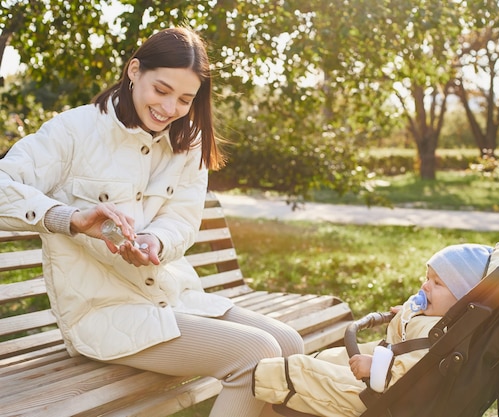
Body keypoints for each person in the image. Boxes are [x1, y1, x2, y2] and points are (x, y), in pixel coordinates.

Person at [0, 27, 303, 417]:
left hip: (174, 297)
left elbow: (181, 218)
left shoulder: (188, 141)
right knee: (255, 354)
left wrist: (154, 242)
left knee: (289, 346)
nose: (170, 108)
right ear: (134, 70)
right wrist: (70, 219)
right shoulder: (73, 131)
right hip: (104, 314)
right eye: (161, 90)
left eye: (184, 99)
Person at [253, 241, 499, 417]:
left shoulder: (446, 338)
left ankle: (257, 389)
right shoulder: (436, 317)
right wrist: (406, 315)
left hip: (385, 395)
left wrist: (376, 369)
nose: (426, 287)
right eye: (427, 278)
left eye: (437, 283)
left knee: (290, 371)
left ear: (462, 301)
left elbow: (416, 372)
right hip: (378, 372)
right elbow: (408, 337)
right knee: (324, 358)